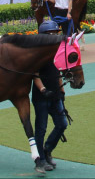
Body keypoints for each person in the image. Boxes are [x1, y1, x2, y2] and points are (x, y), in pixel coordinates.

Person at [31, 20, 69, 172]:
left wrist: (61, 89)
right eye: (51, 34)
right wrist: (42, 89)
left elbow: (58, 71)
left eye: (55, 33)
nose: (55, 36)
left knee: (62, 124)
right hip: (41, 96)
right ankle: (40, 158)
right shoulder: (37, 54)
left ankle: (47, 149)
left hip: (55, 95)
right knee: (41, 128)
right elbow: (34, 74)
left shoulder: (57, 52)